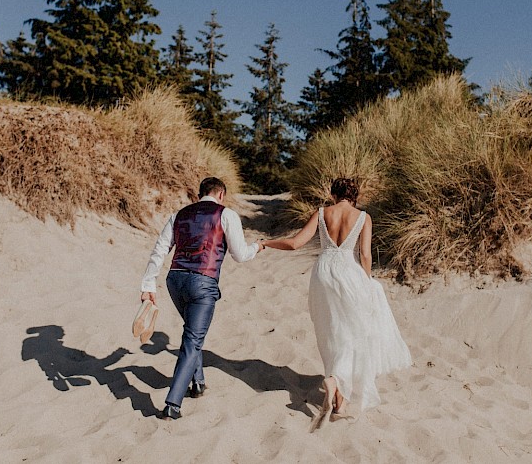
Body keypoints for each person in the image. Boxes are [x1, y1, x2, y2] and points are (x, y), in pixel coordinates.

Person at [261, 177, 411, 419]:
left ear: (333, 195)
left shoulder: (322, 213)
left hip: (323, 272)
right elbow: (364, 255)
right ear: (355, 195)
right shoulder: (363, 217)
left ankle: (339, 399)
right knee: (352, 333)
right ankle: (334, 380)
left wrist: (266, 242)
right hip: (348, 273)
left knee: (331, 332)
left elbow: (295, 243)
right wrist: (367, 280)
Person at [140, 176, 262, 420]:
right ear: (221, 195)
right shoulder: (226, 215)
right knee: (193, 339)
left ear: (200, 194)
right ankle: (173, 403)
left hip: (174, 280)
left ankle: (198, 382)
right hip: (203, 282)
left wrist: (148, 283)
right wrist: (257, 247)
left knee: (191, 333)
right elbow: (240, 254)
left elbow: (160, 249)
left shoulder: (179, 215)